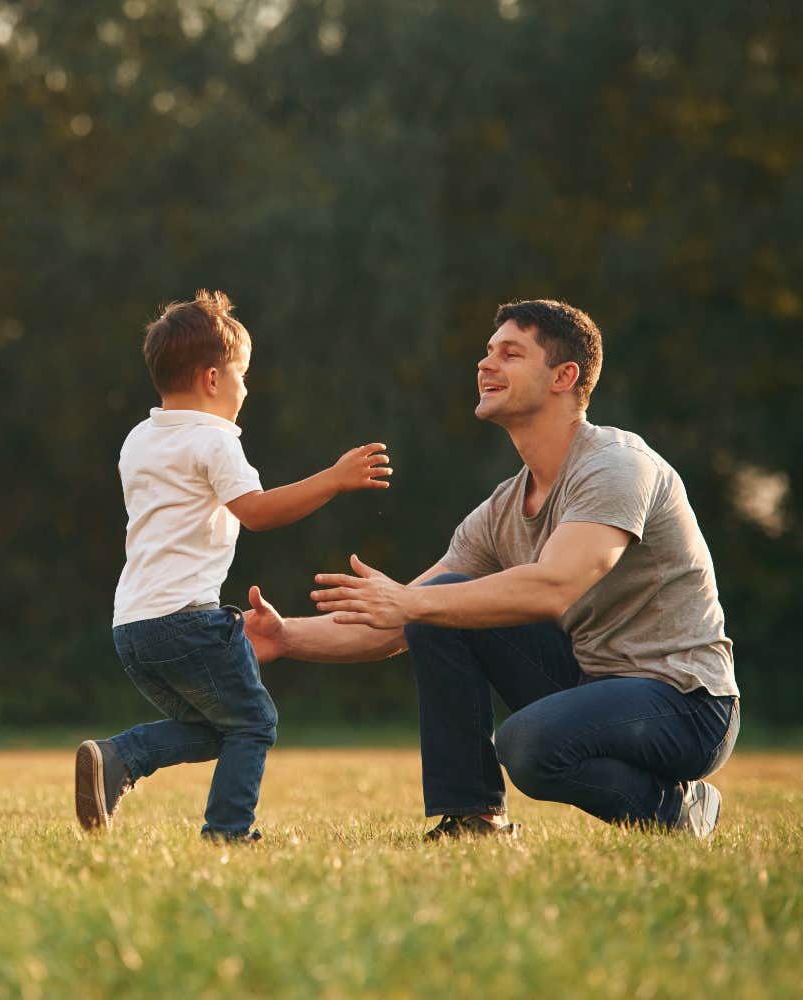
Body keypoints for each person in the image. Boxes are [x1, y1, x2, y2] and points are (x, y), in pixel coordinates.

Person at [244, 299, 740, 840]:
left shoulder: (616, 465)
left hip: (686, 702)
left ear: (564, 376)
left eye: (510, 353)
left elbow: (556, 585)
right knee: (441, 605)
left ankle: (676, 810)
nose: (485, 364)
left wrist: (413, 603)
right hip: (592, 680)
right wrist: (284, 636)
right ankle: (474, 819)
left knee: (526, 743)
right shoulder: (501, 509)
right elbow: (401, 617)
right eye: (487, 352)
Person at [74, 289, 392, 842]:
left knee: (218, 728)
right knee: (255, 722)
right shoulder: (214, 438)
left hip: (133, 627)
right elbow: (258, 513)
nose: (246, 387)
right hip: (187, 619)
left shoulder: (139, 439)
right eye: (242, 373)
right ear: (213, 379)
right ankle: (228, 832)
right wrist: (334, 479)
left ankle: (118, 757)